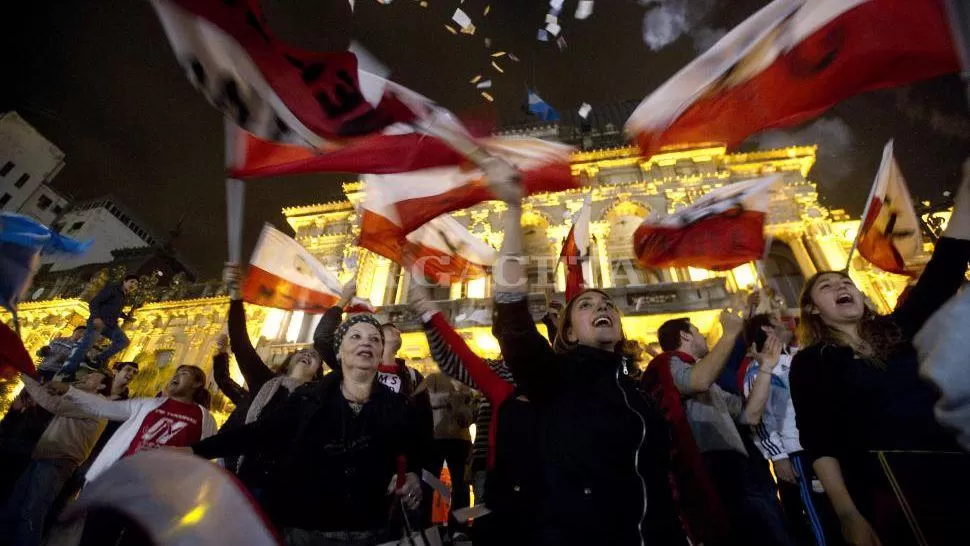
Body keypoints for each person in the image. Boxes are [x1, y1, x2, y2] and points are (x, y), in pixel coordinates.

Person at [487, 192, 684, 546]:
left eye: (607, 303)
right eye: (587, 305)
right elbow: (510, 309)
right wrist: (514, 210)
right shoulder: (554, 377)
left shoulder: (637, 394)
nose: (601, 306)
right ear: (569, 332)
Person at [789, 163, 970, 546]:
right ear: (813, 310)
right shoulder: (812, 362)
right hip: (889, 482)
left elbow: (945, 270)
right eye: (827, 286)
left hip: (954, 461)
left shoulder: (897, 331)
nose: (842, 286)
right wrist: (847, 513)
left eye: (845, 282)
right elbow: (819, 442)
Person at [189, 313, 428, 546]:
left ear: (379, 355)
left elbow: (414, 449)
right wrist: (193, 451)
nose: (366, 341)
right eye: (355, 336)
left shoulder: (398, 405)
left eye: (375, 339)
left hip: (373, 531)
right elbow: (260, 432)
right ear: (338, 351)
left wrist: (414, 475)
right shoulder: (308, 398)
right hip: (308, 530)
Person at [647, 315, 792, 546]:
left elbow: (749, 415)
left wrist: (765, 368)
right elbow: (699, 380)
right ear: (685, 335)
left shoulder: (710, 383)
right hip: (712, 471)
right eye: (697, 331)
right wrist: (729, 333)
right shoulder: (669, 363)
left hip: (741, 471)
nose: (703, 337)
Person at [740, 314, 832, 546]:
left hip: (822, 443)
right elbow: (760, 419)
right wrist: (779, 457)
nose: (787, 322)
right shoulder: (759, 370)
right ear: (766, 328)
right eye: (778, 320)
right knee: (818, 515)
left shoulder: (796, 357)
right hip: (797, 451)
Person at [0, 367, 111, 546]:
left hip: (56, 462)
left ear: (101, 386)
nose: (87, 376)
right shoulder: (82, 401)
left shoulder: (95, 404)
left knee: (31, 514)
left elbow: (52, 404)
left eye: (92, 376)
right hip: (45, 457)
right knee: (15, 506)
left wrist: (25, 374)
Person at [59, 274, 139, 379]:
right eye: (132, 282)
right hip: (99, 321)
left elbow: (114, 309)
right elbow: (94, 302)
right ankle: (67, 371)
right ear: (124, 281)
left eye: (136, 284)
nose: (133, 285)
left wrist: (126, 317)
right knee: (85, 345)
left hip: (111, 325)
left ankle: (97, 359)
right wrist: (96, 317)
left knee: (123, 341)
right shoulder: (112, 289)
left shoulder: (124, 296)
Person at [424, 372, 474, 530]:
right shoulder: (433, 379)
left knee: (461, 487)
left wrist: (460, 407)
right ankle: (426, 527)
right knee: (429, 484)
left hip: (457, 438)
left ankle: (459, 529)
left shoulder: (464, 381)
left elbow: (469, 416)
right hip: (437, 437)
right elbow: (424, 403)